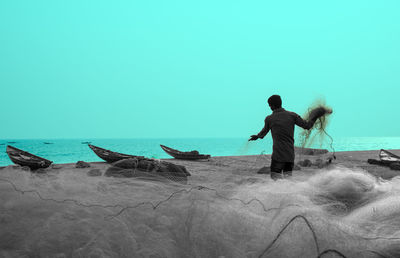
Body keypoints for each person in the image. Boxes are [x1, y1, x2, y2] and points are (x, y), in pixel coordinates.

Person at [249, 95, 320, 180]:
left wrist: (256, 136)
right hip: (289, 155)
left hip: (278, 155)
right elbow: (307, 126)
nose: (269, 107)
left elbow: (263, 133)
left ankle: (279, 193)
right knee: (288, 179)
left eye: (269, 105)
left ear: (272, 106)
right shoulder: (292, 115)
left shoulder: (269, 119)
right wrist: (316, 116)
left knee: (275, 177)